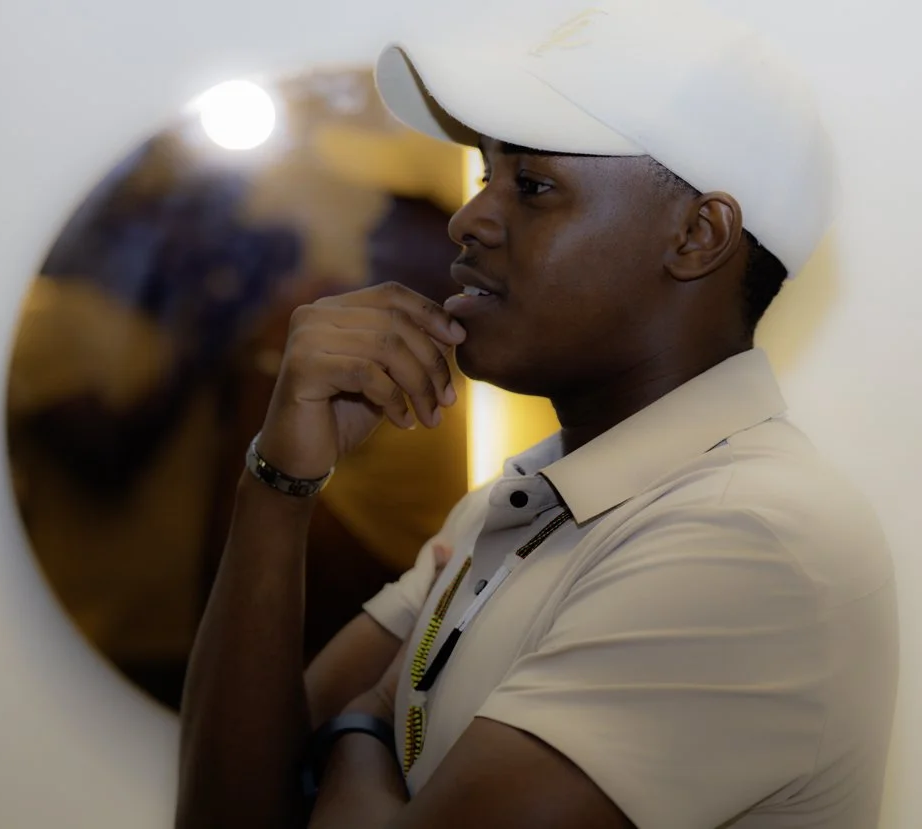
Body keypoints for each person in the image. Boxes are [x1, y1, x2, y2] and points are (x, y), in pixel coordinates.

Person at [175, 2, 899, 828]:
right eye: (487, 176)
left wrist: (358, 728)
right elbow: (233, 808)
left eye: (533, 185)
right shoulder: (527, 503)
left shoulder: (748, 538)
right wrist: (280, 483)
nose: (468, 218)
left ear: (699, 234)